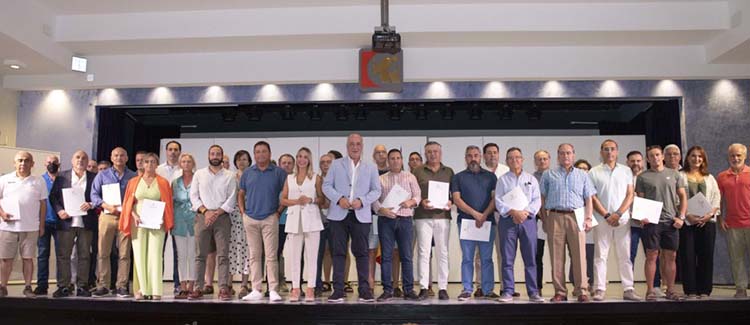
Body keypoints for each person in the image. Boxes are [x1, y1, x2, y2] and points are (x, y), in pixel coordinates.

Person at [323, 133, 382, 303]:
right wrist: (339, 198)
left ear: (362, 146)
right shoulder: (335, 164)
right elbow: (326, 186)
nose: (355, 147)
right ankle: (338, 291)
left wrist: (362, 201)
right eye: (351, 144)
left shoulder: (371, 168)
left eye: (358, 144)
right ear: (347, 146)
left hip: (360, 216)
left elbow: (376, 190)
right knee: (338, 253)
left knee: (362, 253)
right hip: (338, 216)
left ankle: (364, 290)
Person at [540, 143, 596, 302]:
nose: (565, 156)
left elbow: (588, 198)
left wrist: (588, 218)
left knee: (579, 255)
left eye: (568, 153)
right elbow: (542, 199)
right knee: (556, 256)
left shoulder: (583, 175)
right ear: (558, 156)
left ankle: (581, 291)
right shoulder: (548, 175)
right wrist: (545, 219)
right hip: (555, 217)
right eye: (562, 153)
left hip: (576, 216)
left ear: (573, 155)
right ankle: (560, 291)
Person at [588, 140, 640, 301]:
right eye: (606, 149)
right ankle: (599, 289)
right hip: (602, 219)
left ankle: (628, 289)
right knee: (600, 256)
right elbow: (592, 196)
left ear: (617, 152)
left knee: (624, 255)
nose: (609, 152)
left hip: (622, 220)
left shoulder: (626, 171)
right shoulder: (593, 172)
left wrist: (618, 213)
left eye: (612, 149)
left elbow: (630, 194)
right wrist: (606, 215)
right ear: (601, 152)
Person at [119, 152, 174, 300]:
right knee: (139, 254)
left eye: (152, 162)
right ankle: (141, 290)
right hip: (138, 223)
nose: (149, 164)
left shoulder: (163, 182)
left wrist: (163, 218)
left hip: (157, 222)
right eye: (147, 162)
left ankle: (155, 289)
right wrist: (134, 216)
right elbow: (127, 204)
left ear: (157, 165)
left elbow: (167, 203)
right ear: (142, 164)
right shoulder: (133, 182)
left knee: (155, 254)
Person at [635, 145, 687, 301]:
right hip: (652, 222)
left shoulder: (675, 174)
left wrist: (682, 217)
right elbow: (640, 199)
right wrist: (641, 216)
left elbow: (683, 197)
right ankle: (650, 290)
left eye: (657, 155)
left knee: (671, 256)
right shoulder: (643, 177)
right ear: (647, 159)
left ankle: (670, 290)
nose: (655, 158)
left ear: (662, 156)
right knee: (652, 255)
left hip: (671, 222)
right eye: (651, 156)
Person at [238, 141, 286, 302]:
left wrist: (278, 212)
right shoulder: (247, 173)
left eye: (264, 151)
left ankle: (273, 289)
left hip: (270, 218)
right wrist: (243, 212)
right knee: (254, 256)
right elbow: (241, 193)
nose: (260, 154)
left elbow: (285, 195)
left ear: (270, 154)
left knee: (272, 256)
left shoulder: (279, 172)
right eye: (257, 152)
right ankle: (256, 289)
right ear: (254, 154)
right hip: (250, 219)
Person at [495, 147, 544, 302]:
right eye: (510, 158)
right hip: (508, 221)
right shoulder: (502, 180)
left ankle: (533, 292)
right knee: (507, 258)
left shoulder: (531, 179)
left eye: (517, 157)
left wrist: (525, 212)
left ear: (522, 160)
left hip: (527, 221)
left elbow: (537, 200)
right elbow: (498, 200)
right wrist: (513, 212)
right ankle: (508, 291)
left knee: (530, 258)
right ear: (507, 161)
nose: (514, 160)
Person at [188, 145, 237, 301]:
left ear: (222, 156)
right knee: (200, 255)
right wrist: (206, 211)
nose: (215, 156)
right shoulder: (199, 174)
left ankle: (223, 288)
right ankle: (198, 288)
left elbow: (232, 198)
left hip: (222, 217)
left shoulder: (230, 176)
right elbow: (193, 196)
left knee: (223, 255)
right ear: (208, 155)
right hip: (203, 216)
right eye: (212, 153)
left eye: (218, 154)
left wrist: (216, 212)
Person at [372, 149, 421, 301]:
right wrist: (381, 209)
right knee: (386, 256)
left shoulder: (410, 176)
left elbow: (418, 195)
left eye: (398, 158)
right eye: (392, 158)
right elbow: (374, 199)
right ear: (388, 160)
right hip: (386, 220)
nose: (395, 161)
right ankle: (387, 290)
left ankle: (408, 290)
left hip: (405, 220)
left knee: (406, 256)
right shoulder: (381, 179)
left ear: (402, 160)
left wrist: (410, 202)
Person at [49, 150, 98, 298]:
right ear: (72, 160)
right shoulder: (62, 177)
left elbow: (98, 197)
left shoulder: (94, 177)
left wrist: (91, 204)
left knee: (84, 256)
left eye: (84, 158)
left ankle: (82, 286)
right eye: (77, 157)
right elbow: (53, 197)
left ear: (87, 161)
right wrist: (59, 211)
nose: (80, 160)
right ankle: (64, 286)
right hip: (66, 222)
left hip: (86, 223)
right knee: (63, 255)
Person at [90, 147, 137, 298]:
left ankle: (122, 286)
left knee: (124, 253)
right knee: (103, 252)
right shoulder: (102, 175)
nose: (119, 157)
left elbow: (136, 196)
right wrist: (107, 206)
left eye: (122, 155)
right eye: (116, 155)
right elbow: (94, 195)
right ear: (111, 157)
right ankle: (103, 285)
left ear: (127, 158)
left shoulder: (133, 176)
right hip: (107, 216)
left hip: (126, 217)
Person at [452, 145, 497, 301]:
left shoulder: (491, 177)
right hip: (466, 223)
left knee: (486, 258)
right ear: (465, 158)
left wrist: (484, 215)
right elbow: (456, 199)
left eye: (476, 155)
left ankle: (488, 289)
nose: (473, 158)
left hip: (487, 222)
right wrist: (475, 214)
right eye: (470, 155)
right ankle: (467, 289)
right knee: (467, 258)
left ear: (481, 158)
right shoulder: (458, 177)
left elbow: (494, 198)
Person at [0, 151, 47, 298]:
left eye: (26, 160)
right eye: (20, 160)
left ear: (32, 164)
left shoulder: (38, 181)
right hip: (8, 227)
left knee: (28, 259)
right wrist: (2, 214)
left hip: (30, 227)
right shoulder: (4, 180)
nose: (23, 163)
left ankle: (27, 287)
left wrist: (41, 226)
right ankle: (3, 286)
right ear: (14, 163)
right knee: (5, 259)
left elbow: (43, 204)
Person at [281, 147, 325, 302]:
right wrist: (296, 202)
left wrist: (311, 200)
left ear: (309, 160)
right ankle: (295, 288)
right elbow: (283, 200)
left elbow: (322, 199)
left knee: (311, 257)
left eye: (305, 156)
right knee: (294, 256)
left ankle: (311, 288)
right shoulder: (289, 178)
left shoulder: (316, 178)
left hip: (312, 220)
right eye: (299, 156)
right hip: (294, 220)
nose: (302, 159)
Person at [412, 141, 454, 300]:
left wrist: (451, 202)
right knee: (423, 252)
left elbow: (454, 194)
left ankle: (443, 288)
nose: (432, 154)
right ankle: (424, 287)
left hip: (443, 217)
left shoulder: (449, 171)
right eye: (429, 152)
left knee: (442, 252)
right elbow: (412, 192)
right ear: (425, 154)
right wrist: (421, 201)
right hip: (423, 217)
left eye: (435, 151)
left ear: (440, 153)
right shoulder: (417, 171)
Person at [679, 146, 720, 299]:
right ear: (687, 158)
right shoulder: (680, 176)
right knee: (688, 256)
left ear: (703, 159)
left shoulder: (709, 178)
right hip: (688, 222)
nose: (696, 159)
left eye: (700, 157)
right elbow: (676, 199)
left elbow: (716, 198)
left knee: (706, 256)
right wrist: (687, 214)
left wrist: (709, 215)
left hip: (707, 223)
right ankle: (690, 290)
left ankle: (704, 290)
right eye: (693, 156)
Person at [473, 143, 508, 298]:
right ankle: (481, 286)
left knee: (503, 253)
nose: (492, 155)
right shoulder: (478, 172)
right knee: (480, 255)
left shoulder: (506, 171)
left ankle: (505, 287)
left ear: (498, 154)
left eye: (495, 152)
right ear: (484, 155)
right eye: (489, 153)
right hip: (484, 217)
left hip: (503, 218)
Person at [627, 150, 663, 297]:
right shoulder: (625, 178)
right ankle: (630, 287)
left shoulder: (649, 177)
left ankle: (655, 286)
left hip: (649, 224)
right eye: (632, 161)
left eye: (638, 160)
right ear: (627, 162)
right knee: (630, 256)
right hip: (631, 225)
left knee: (653, 255)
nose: (635, 163)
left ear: (643, 161)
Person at [717, 143, 750, 299]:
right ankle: (741, 288)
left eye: (738, 155)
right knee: (737, 259)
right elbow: (718, 200)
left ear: (745, 156)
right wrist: (719, 218)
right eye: (732, 155)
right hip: (732, 224)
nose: (735, 158)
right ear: (728, 157)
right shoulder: (722, 176)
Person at [156, 140, 182, 295]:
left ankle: (178, 284)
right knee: (158, 250)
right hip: (160, 213)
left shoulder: (184, 169)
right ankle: (156, 282)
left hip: (179, 214)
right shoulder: (158, 170)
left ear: (179, 152)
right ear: (166, 152)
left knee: (178, 252)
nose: (173, 152)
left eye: (176, 149)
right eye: (170, 149)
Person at [34, 155, 60, 296]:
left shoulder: (64, 180)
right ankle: (42, 285)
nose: (52, 164)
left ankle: (61, 285)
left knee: (61, 256)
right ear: (45, 164)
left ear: (59, 164)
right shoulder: (39, 180)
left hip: (61, 223)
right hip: (43, 222)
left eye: (54, 162)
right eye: (49, 162)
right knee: (42, 254)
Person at [172, 153, 197, 299]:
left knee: (193, 255)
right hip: (179, 220)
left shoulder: (198, 179)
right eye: (184, 161)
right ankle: (182, 286)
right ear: (180, 164)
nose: (186, 163)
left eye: (189, 161)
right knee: (181, 255)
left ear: (193, 163)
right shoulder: (175, 182)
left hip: (194, 220)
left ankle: (192, 286)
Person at [229, 150, 252, 298]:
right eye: (239, 159)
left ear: (249, 161)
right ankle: (228, 284)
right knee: (230, 249)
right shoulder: (230, 177)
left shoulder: (253, 176)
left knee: (248, 250)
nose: (241, 162)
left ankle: (244, 284)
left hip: (249, 215)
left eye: (244, 159)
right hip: (232, 216)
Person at [571, 159, 594, 292]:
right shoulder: (574, 181)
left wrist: (589, 217)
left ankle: (590, 283)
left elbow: (592, 200)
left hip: (590, 221)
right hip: (576, 218)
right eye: (580, 168)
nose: (583, 170)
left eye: (585, 168)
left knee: (590, 254)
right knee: (575, 253)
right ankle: (576, 283)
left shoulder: (591, 182)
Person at [369, 144, 389, 295]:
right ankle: (370, 284)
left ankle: (392, 285)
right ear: (373, 156)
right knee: (371, 250)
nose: (381, 155)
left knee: (391, 252)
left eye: (383, 152)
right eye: (378, 153)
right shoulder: (369, 172)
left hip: (390, 217)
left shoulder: (393, 172)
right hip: (373, 216)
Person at [314, 153, 333, 297]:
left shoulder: (339, 180)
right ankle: (317, 284)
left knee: (337, 253)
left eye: (328, 162)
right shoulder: (316, 180)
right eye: (323, 162)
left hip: (336, 221)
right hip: (318, 221)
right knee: (318, 254)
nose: (325, 164)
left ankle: (338, 284)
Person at [532, 149, 550, 294]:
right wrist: (543, 217)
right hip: (538, 221)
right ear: (535, 162)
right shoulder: (531, 179)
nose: (542, 161)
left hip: (557, 218)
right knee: (537, 255)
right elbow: (532, 200)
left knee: (559, 256)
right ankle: (537, 287)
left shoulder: (556, 175)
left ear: (549, 160)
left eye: (545, 158)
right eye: (539, 159)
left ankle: (560, 287)